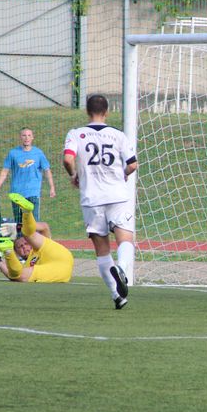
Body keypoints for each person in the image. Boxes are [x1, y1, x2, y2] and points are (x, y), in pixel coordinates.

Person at [62, 94, 138, 310]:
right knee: (125, 238)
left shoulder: (76, 134)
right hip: (116, 194)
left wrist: (74, 174)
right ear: (107, 112)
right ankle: (122, 268)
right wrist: (122, 173)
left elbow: (68, 159)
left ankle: (117, 296)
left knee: (102, 249)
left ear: (87, 111)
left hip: (92, 198)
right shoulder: (118, 135)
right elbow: (132, 165)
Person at [0, 193, 74, 283]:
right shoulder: (25, 267)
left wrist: (18, 226)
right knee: (17, 273)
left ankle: (8, 249)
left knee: (29, 236)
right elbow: (12, 275)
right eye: (20, 247)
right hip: (60, 260)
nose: (24, 247)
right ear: (17, 252)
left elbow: (44, 227)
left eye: (26, 244)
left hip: (60, 264)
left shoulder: (36, 249)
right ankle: (27, 213)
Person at [0, 127, 56, 223]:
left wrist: (52, 187)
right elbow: (5, 171)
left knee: (34, 224)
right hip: (17, 193)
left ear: (32, 138)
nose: (26, 138)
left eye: (29, 135)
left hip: (33, 193)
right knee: (20, 224)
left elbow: (47, 170)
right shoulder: (13, 153)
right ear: (20, 137)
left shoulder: (38, 153)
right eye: (24, 135)